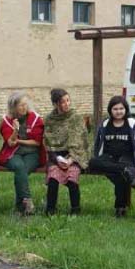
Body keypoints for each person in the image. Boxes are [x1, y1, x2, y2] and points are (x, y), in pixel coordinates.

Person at [88, 96, 135, 217]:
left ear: (126, 109)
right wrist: (98, 156)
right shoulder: (105, 124)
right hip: (109, 157)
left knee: (120, 177)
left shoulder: (132, 124)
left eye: (121, 108)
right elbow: (97, 143)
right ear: (110, 110)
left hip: (127, 158)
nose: (118, 111)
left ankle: (120, 208)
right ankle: (125, 170)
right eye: (115, 109)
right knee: (92, 163)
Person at [0, 91, 46, 215]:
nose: (24, 107)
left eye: (25, 104)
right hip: (13, 152)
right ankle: (27, 201)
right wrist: (15, 130)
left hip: (32, 153)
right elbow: (11, 143)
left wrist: (19, 141)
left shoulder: (35, 119)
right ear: (13, 107)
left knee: (21, 171)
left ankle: (20, 206)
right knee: (19, 167)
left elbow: (37, 142)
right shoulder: (7, 121)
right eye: (21, 105)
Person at [42, 88, 89, 216]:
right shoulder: (50, 120)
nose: (67, 104)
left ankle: (75, 210)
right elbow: (48, 144)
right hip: (56, 156)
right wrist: (57, 159)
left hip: (75, 156)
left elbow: (81, 143)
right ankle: (50, 210)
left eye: (68, 100)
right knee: (53, 178)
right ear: (55, 104)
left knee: (72, 179)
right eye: (63, 102)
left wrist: (70, 159)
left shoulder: (76, 118)